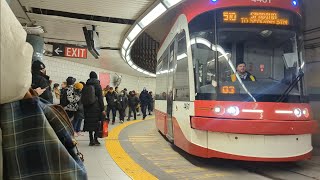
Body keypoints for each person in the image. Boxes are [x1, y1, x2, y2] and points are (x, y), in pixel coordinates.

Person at [83, 71, 105, 146]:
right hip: (96, 107)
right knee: (97, 123)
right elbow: (100, 98)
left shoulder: (86, 85)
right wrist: (102, 109)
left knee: (89, 123)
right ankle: (96, 139)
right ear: (96, 77)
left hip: (87, 107)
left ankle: (91, 140)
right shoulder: (98, 85)